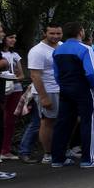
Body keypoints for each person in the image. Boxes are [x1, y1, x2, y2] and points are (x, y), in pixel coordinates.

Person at [49, 23, 94, 169]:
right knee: (89, 122)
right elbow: (90, 72)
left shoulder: (58, 50)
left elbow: (56, 73)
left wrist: (63, 85)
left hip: (65, 88)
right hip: (83, 89)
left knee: (63, 123)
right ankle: (89, 159)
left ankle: (57, 158)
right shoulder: (85, 49)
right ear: (80, 32)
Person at [19, 22, 62, 164]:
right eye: (52, 33)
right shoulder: (37, 51)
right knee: (46, 122)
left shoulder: (62, 46)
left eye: (58, 33)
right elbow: (35, 75)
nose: (55, 36)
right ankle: (48, 154)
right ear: (45, 33)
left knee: (65, 120)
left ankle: (60, 149)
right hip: (47, 91)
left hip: (63, 90)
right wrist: (43, 97)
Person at [1, 29, 24, 162]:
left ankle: (6, 150)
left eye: (15, 37)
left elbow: (21, 75)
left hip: (15, 89)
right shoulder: (1, 54)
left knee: (10, 120)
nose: (13, 40)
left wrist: (12, 78)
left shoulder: (15, 55)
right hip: (2, 89)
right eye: (10, 37)